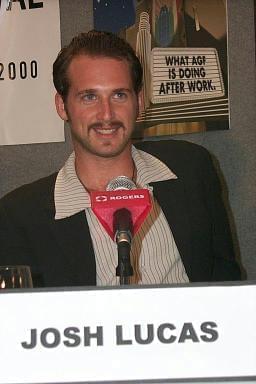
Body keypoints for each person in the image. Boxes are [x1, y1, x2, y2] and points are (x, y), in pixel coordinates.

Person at [0, 30, 241, 287]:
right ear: (62, 106)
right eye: (89, 97)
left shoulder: (191, 169)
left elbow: (226, 284)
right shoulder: (18, 216)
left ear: (138, 102)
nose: (107, 114)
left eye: (119, 95)